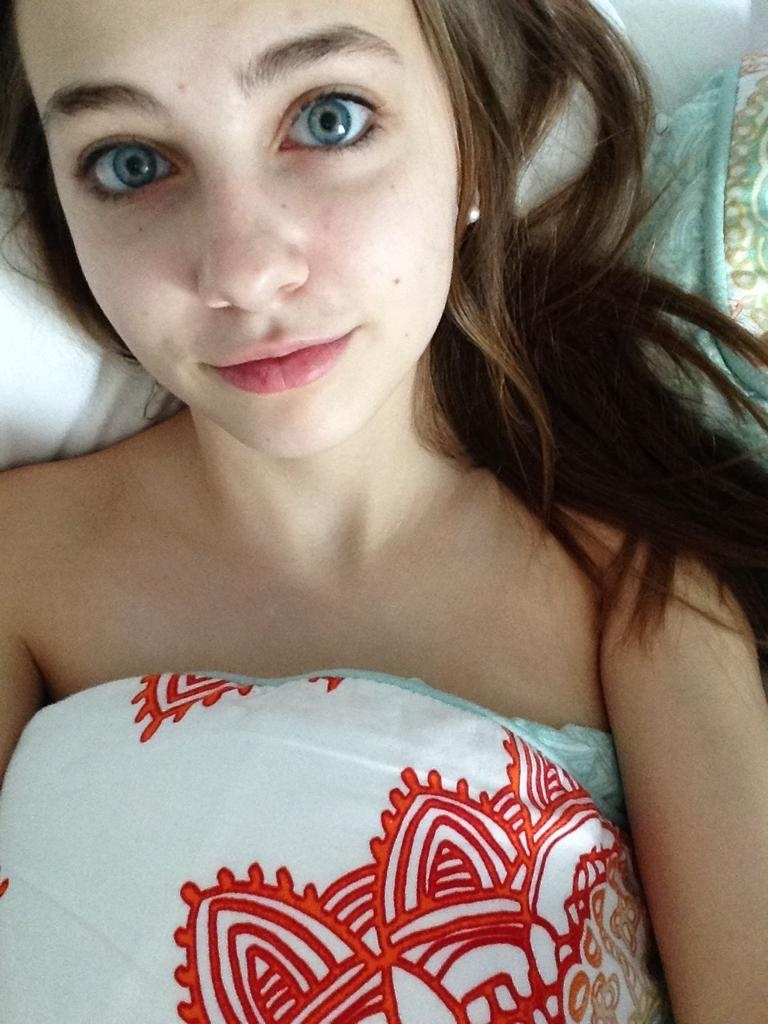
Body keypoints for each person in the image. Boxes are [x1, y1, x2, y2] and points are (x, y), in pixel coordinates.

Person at [0, 0, 766, 1021]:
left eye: (331, 120)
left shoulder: (641, 599)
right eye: (129, 164)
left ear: (473, 149)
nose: (244, 272)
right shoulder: (18, 564)